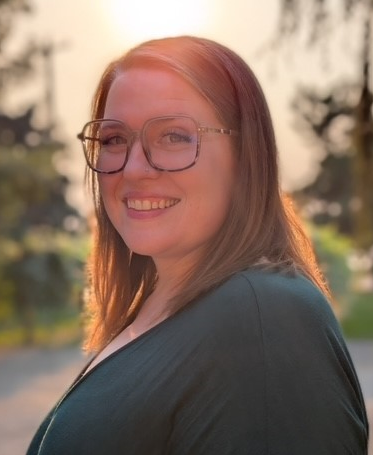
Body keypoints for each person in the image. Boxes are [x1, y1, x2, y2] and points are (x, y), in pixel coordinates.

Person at [27, 36, 369, 454]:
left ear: (245, 155)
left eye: (173, 136)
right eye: (114, 139)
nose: (134, 169)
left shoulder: (264, 315)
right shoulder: (158, 310)